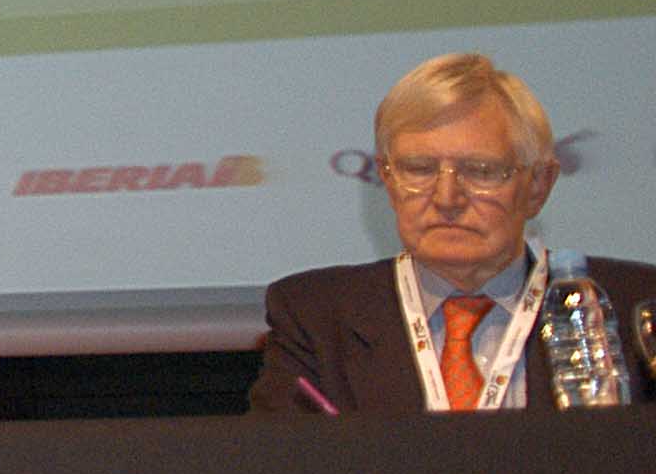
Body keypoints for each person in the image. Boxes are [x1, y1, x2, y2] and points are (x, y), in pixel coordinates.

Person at [251, 52, 655, 414]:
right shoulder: (317, 318)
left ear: (538, 186)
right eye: (419, 170)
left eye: (480, 171)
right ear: (388, 182)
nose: (447, 198)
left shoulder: (635, 307)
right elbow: (275, 467)